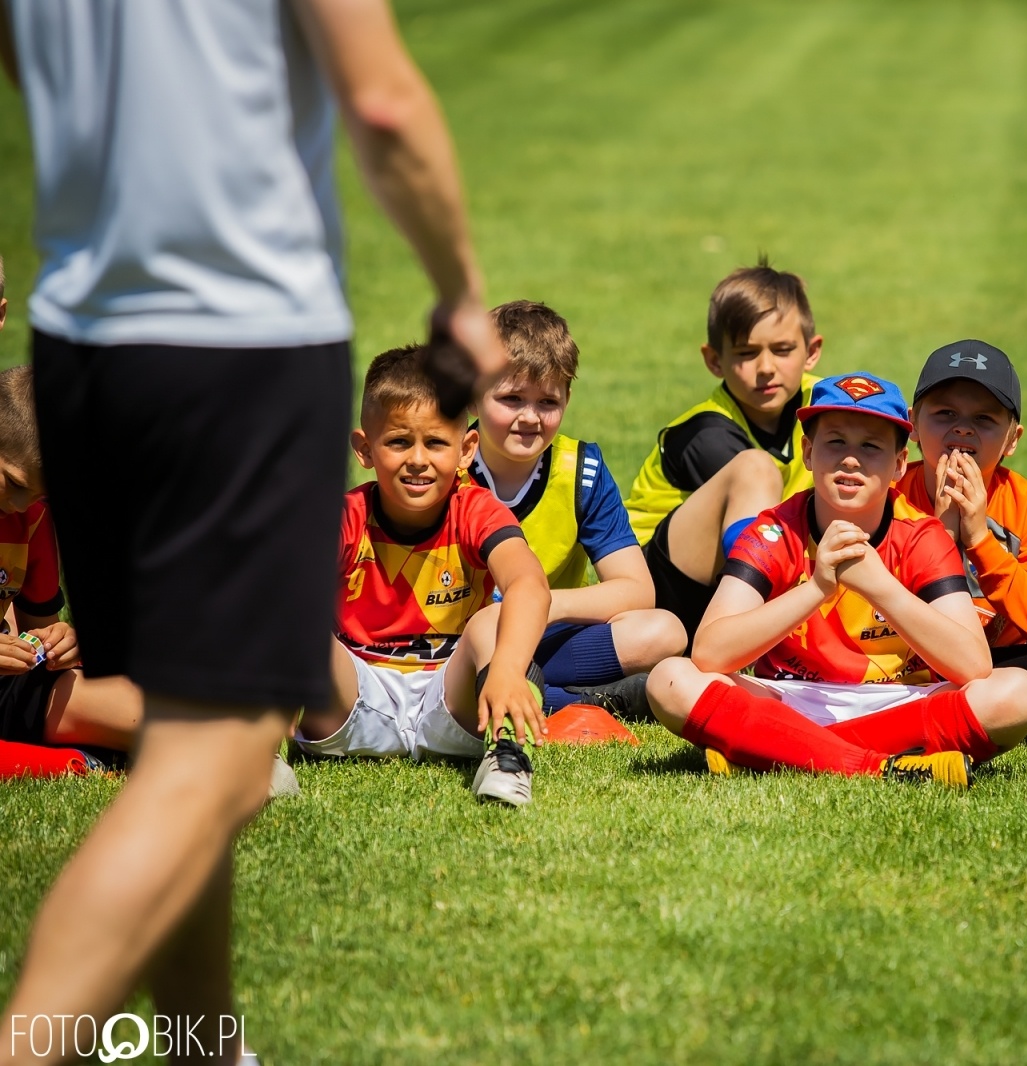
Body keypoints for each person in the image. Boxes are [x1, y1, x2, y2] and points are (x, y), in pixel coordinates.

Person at [0, 0, 508, 1061]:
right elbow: (381, 100)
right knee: (224, 760)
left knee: (181, 731)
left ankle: (205, 1046)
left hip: (77, 350)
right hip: (236, 344)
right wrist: (461, 291)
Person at [645, 372, 1027, 790]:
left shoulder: (921, 535)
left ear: (898, 464)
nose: (851, 459)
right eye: (835, 442)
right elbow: (709, 652)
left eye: (870, 446)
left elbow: (974, 665)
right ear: (808, 452)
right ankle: (876, 766)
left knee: (1018, 693)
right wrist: (817, 587)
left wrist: (880, 587)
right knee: (671, 679)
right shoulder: (774, 531)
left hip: (899, 703)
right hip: (788, 699)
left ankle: (770, 750)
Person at [295, 345, 552, 806]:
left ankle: (507, 757)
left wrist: (508, 668)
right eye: (398, 442)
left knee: (494, 621)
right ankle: (257, 757)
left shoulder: (476, 510)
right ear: (365, 449)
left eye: (435, 442)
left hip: (452, 700)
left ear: (466, 449)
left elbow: (529, 584)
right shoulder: (345, 515)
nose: (418, 459)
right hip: (354, 698)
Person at [467, 300, 684, 718]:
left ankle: (540, 691)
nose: (530, 417)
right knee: (481, 637)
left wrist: (542, 604)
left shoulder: (582, 470)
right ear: (473, 398)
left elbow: (638, 590)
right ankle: (580, 701)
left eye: (547, 402)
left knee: (664, 631)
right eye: (511, 398)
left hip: (549, 634)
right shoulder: (445, 465)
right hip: (464, 642)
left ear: (567, 398)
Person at [624, 263, 821, 647]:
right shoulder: (704, 434)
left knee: (859, 436)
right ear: (715, 360)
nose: (766, 368)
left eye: (782, 350)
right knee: (755, 470)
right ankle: (753, 639)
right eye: (747, 353)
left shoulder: (824, 405)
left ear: (811, 352)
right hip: (659, 592)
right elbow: (773, 528)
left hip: (745, 575)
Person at [894, 339, 1027, 669]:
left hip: (1003, 660)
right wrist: (941, 536)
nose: (963, 428)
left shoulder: (1026, 504)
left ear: (1012, 440)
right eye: (945, 413)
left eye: (983, 418)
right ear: (913, 425)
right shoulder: (890, 496)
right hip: (908, 660)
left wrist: (980, 539)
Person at [0, 367, 141, 764]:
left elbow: (38, 630)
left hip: (7, 687)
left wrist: (58, 640)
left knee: (150, 710)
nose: (22, 505)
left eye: (38, 494)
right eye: (14, 483)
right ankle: (68, 761)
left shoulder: (33, 520)